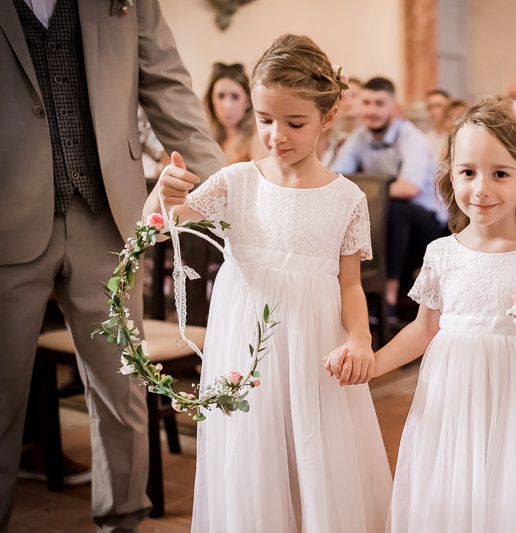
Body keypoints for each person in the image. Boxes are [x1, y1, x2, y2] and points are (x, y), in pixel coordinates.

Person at [145, 33, 393, 532]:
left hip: (314, 342)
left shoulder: (346, 198)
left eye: (294, 122)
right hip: (244, 341)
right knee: (251, 446)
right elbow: (155, 226)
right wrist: (160, 192)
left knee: (313, 449)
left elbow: (349, 285)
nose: (276, 134)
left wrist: (360, 338)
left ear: (327, 118)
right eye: (264, 120)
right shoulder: (236, 182)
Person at [0, 1, 226, 530]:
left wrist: (222, 189)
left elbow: (167, 86)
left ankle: (125, 520)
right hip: (6, 221)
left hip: (106, 215)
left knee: (122, 388)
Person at [331, 97, 516, 531]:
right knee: (453, 495)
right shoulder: (441, 254)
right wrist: (373, 365)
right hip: (452, 402)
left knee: (512, 496)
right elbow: (424, 329)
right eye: (468, 172)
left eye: (500, 174)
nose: (481, 189)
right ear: (451, 176)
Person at [331, 76, 444, 324]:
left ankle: (388, 297)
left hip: (428, 225)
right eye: (367, 103)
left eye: (379, 103)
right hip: (384, 221)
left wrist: (361, 193)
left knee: (395, 208)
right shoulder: (359, 137)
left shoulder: (411, 138)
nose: (372, 110)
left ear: (395, 107)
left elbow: (409, 188)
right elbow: (335, 178)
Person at [204, 61, 269, 164]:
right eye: (220, 96)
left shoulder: (256, 140)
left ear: (247, 101)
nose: (227, 105)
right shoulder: (207, 140)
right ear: (211, 100)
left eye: (235, 97)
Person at [425, 88, 451, 157]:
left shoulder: (455, 137)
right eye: (430, 107)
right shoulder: (425, 139)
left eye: (439, 106)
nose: (434, 111)